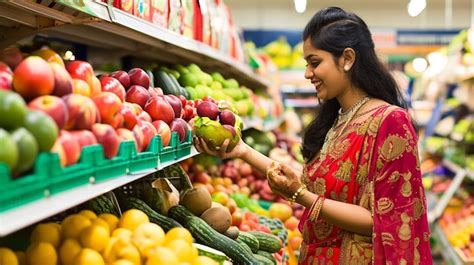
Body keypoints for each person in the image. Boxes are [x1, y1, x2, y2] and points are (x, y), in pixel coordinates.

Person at [194, 6, 432, 264]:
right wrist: (243, 151)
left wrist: (300, 196)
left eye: (315, 63)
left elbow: (385, 222)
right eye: (306, 64)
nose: (308, 73)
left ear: (347, 58)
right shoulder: (338, 119)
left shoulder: (390, 121)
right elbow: (313, 185)